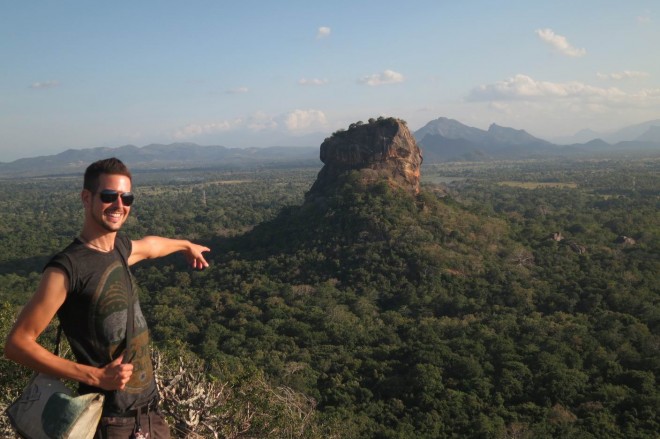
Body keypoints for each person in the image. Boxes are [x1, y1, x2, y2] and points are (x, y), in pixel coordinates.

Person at [4, 157, 210, 438]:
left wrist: (185, 245)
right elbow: (17, 344)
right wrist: (95, 377)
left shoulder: (120, 249)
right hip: (111, 422)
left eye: (127, 198)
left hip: (149, 415)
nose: (119, 205)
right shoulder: (67, 269)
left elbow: (150, 246)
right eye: (109, 196)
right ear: (86, 198)